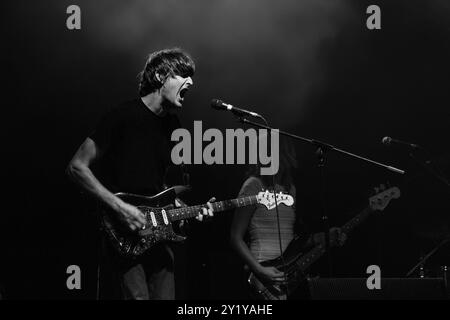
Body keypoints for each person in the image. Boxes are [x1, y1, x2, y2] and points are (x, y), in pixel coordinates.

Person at [67, 48, 214, 300]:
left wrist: (184, 209)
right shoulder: (122, 116)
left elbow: (156, 184)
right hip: (122, 234)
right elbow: (76, 167)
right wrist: (120, 207)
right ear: (159, 76)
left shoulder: (172, 126)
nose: (191, 82)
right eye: (182, 74)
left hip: (157, 234)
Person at [230, 137, 346, 299]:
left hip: (288, 275)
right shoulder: (253, 185)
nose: (294, 155)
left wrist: (322, 237)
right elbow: (235, 237)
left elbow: (292, 241)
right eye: (290, 150)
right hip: (262, 270)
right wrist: (259, 270)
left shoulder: (290, 189)